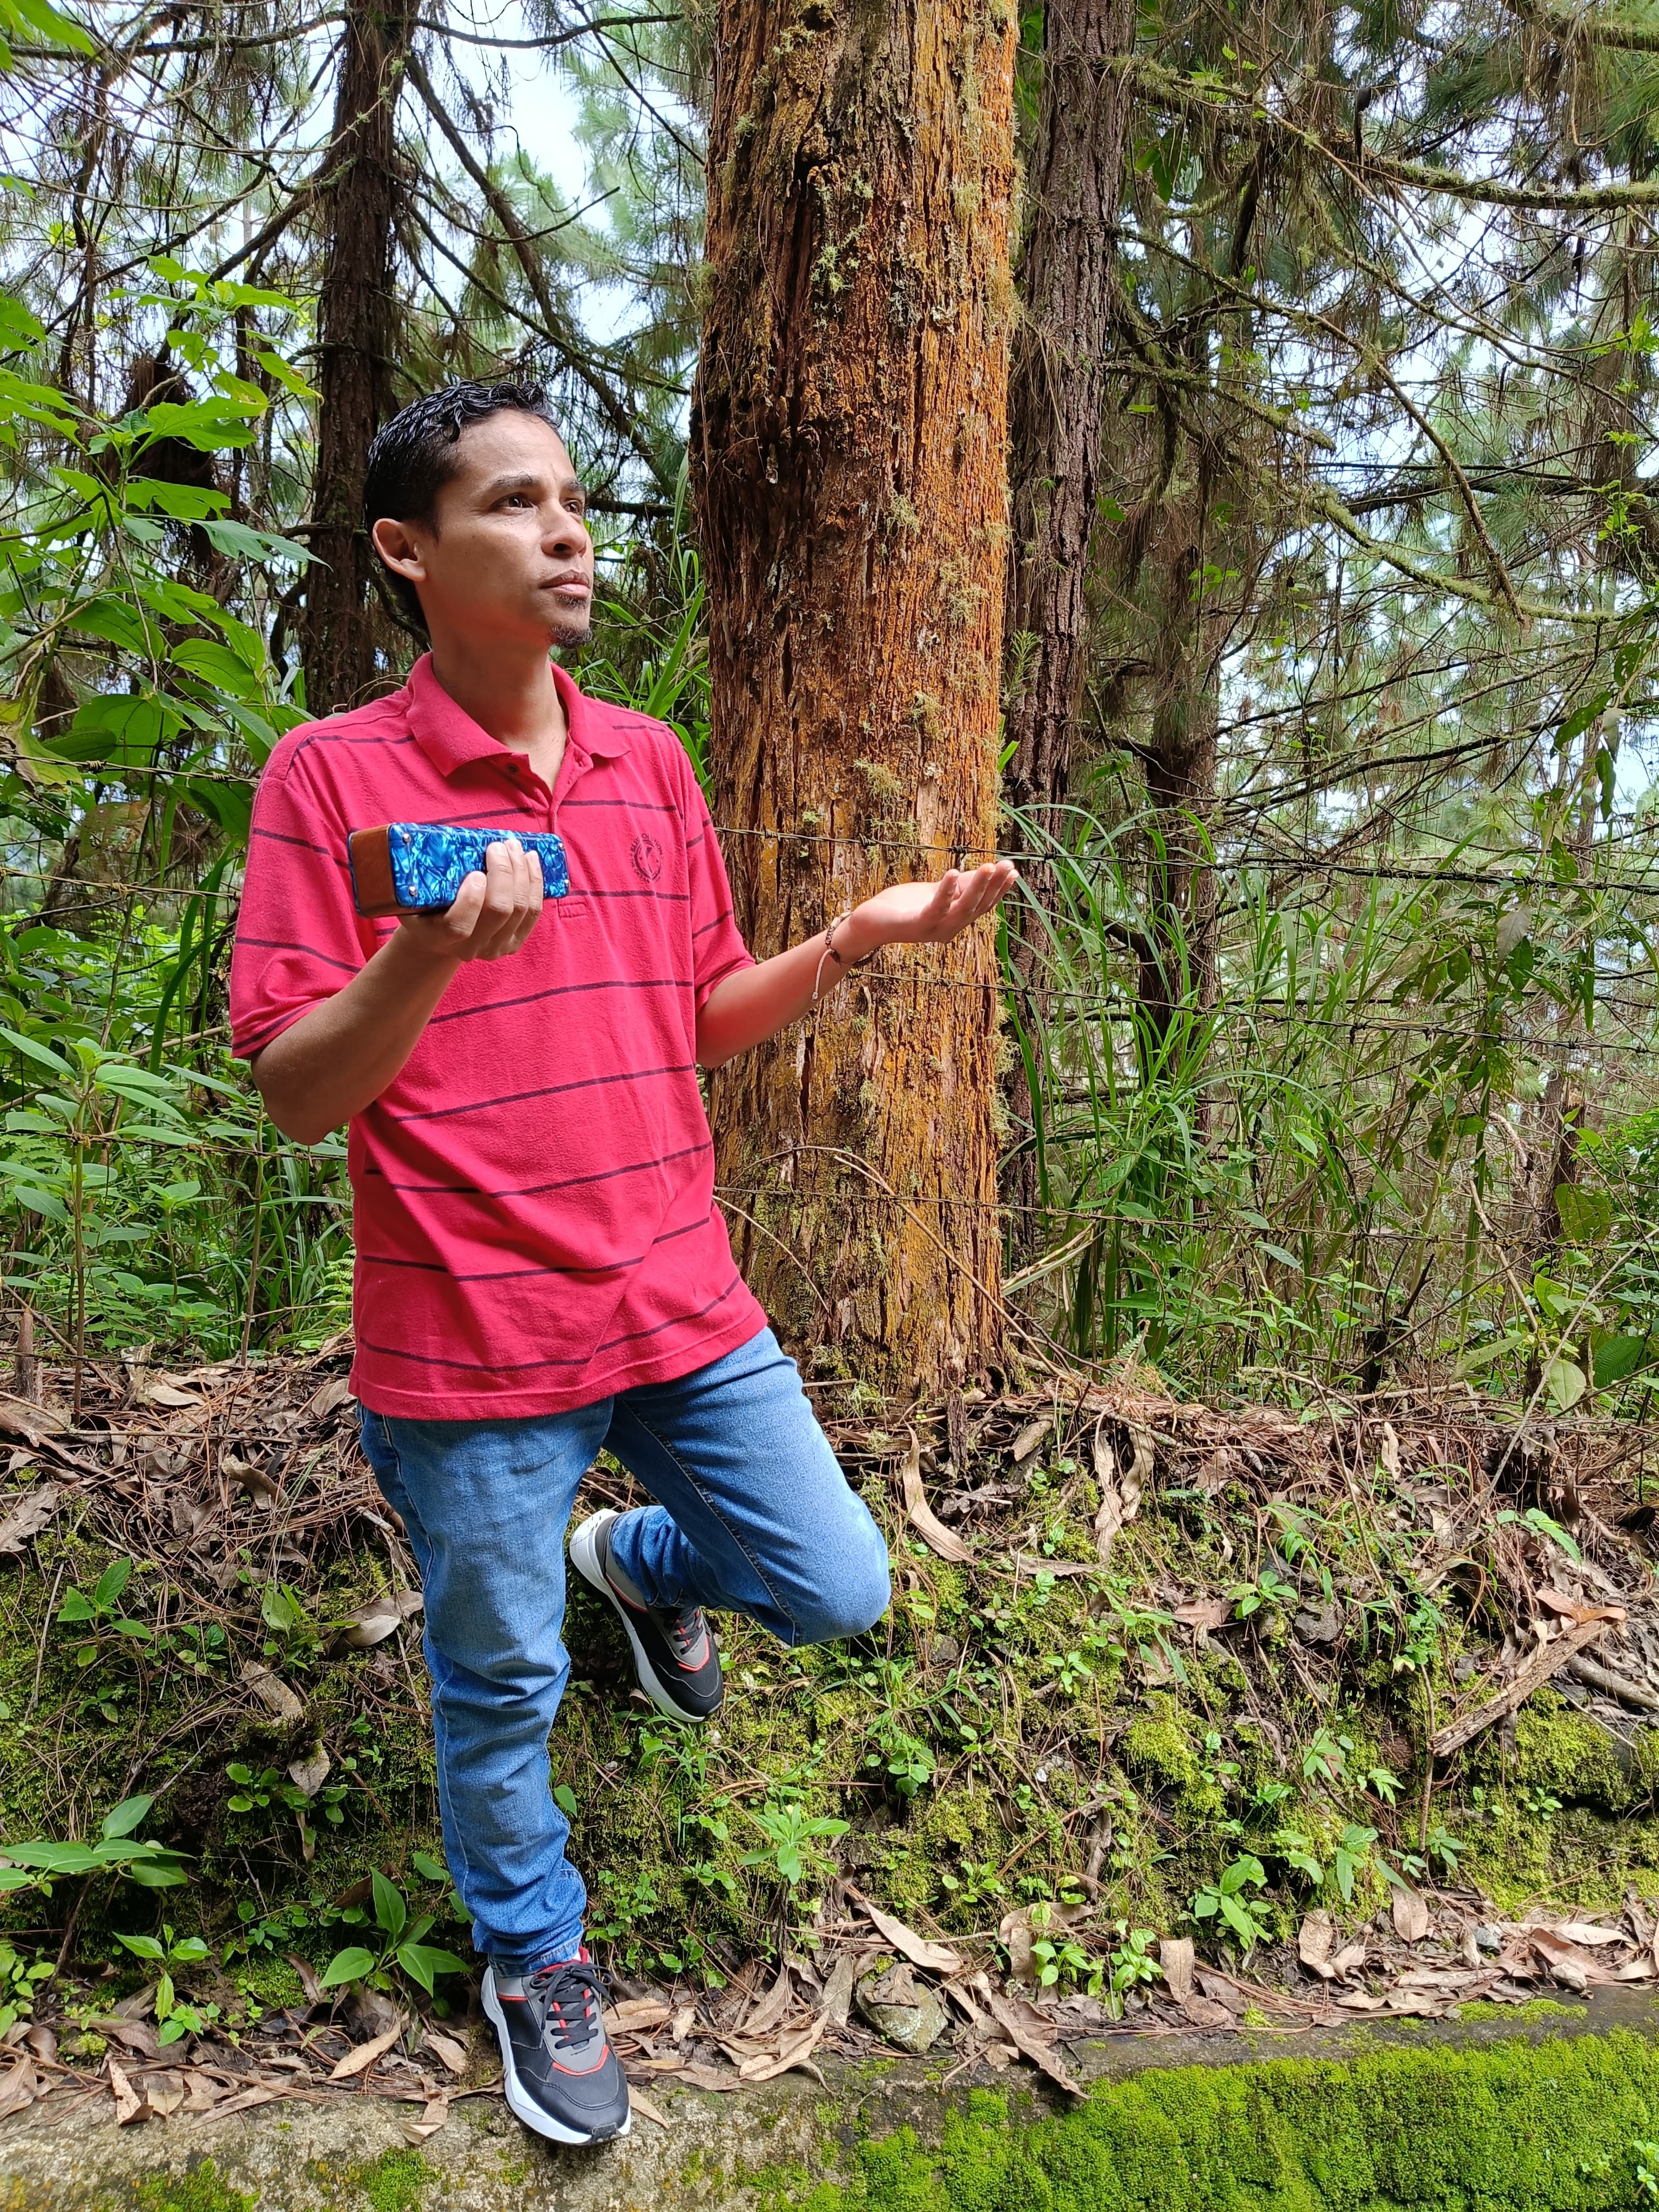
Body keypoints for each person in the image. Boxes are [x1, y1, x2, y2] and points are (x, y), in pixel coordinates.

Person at [231, 380, 1015, 2147]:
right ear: (407, 550)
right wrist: (427, 953)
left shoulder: (647, 763)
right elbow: (296, 1092)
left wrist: (848, 943)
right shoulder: (330, 779)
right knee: (501, 1683)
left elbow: (697, 1013)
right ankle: (535, 1955)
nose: (567, 530)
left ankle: (638, 1566)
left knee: (837, 1584)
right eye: (513, 502)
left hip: (675, 1295)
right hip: (469, 1337)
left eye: (572, 498)